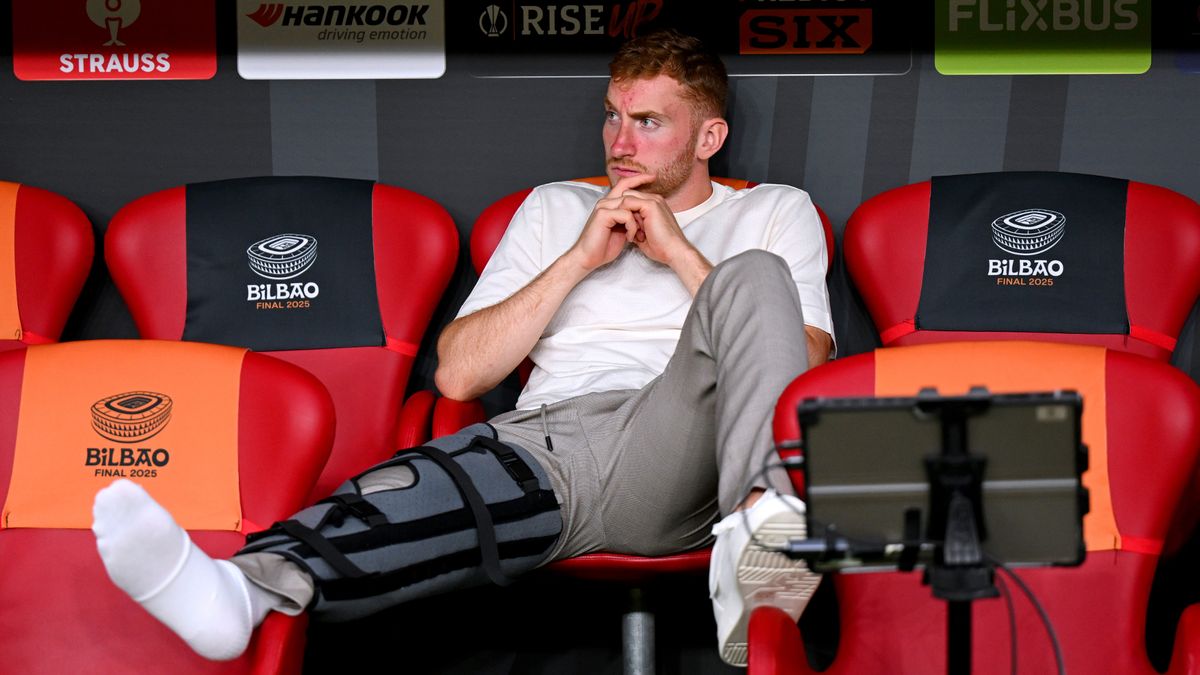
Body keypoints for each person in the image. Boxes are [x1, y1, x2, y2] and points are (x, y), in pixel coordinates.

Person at [91, 29, 834, 668]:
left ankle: (760, 537)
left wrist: (678, 253)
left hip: (691, 450)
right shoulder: (555, 207)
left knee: (754, 273)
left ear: (708, 139)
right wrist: (577, 259)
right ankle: (244, 590)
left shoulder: (773, 210)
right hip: (556, 441)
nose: (619, 143)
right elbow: (459, 375)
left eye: (648, 123)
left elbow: (799, 369)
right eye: (612, 116)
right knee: (422, 485)